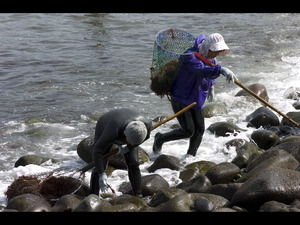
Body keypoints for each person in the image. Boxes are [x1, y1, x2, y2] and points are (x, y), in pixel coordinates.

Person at [153, 33, 237, 156]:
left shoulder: (209, 56)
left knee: (199, 129)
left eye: (218, 51)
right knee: (187, 131)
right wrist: (221, 70)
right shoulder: (189, 57)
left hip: (196, 96)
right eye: (214, 51)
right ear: (207, 47)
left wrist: (211, 87)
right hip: (181, 96)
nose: (216, 54)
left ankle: (190, 156)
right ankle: (160, 138)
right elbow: (202, 70)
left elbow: (210, 67)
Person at [90, 108, 152, 197]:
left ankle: (138, 195)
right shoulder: (112, 131)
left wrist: (128, 147)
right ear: (124, 134)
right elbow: (97, 151)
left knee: (133, 163)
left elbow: (146, 138)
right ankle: (93, 196)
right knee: (101, 165)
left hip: (127, 123)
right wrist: (101, 174)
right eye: (130, 142)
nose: (131, 144)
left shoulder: (147, 125)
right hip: (105, 124)